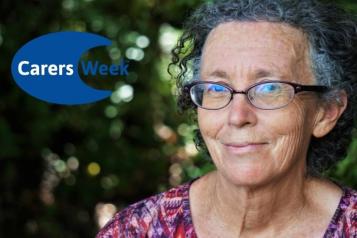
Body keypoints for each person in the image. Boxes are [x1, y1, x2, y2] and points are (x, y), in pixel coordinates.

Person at [97, 0, 357, 237]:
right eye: (217, 89)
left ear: (326, 112)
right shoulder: (135, 231)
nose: (237, 116)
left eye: (269, 88)